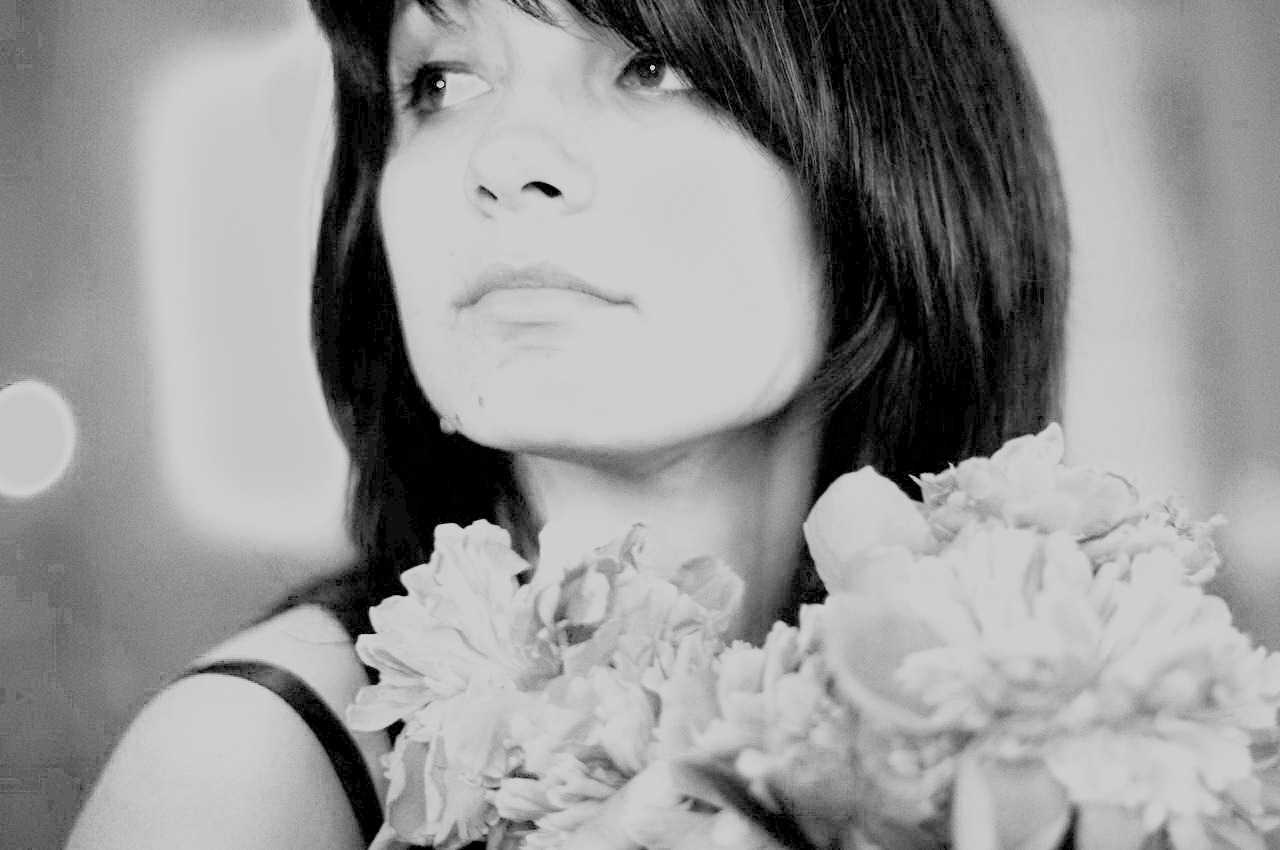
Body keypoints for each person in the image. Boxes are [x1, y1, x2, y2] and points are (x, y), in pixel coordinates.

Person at [66, 0, 1069, 847]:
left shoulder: (1072, 716)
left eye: (650, 65)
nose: (504, 158)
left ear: (893, 147)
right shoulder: (242, 770)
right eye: (443, 81)